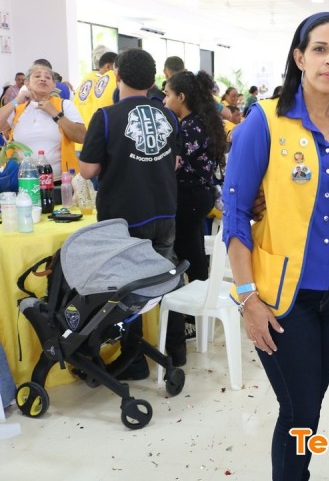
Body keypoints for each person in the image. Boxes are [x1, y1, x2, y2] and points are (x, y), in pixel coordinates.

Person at [222, 11, 329, 481]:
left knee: (308, 407)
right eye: (320, 49)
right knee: (300, 410)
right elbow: (235, 216)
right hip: (283, 299)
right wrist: (247, 298)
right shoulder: (264, 121)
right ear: (299, 57)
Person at [79, 48, 180, 380]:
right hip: (164, 213)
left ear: (117, 76)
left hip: (124, 219)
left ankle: (130, 358)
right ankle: (168, 350)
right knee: (156, 284)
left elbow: (87, 169)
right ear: (153, 81)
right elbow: (174, 162)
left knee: (124, 292)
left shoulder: (106, 117)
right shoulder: (168, 116)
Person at [163, 69, 227, 365]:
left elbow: (172, 164)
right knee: (194, 252)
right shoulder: (201, 122)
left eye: (167, 95)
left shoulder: (189, 128)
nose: (165, 100)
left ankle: (193, 317)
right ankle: (199, 315)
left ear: (181, 96)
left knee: (186, 255)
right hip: (198, 195)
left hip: (188, 197)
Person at [0, 62, 85, 174]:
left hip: (60, 180)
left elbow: (81, 137)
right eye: (37, 76)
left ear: (53, 85)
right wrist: (16, 100)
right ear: (27, 83)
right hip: (22, 180)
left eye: (47, 77)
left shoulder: (65, 105)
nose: (43, 79)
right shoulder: (18, 109)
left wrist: (55, 113)